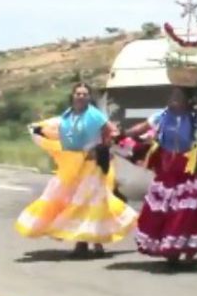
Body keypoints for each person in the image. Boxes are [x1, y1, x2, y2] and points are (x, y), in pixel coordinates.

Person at [15, 83, 138, 257]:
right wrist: (39, 131)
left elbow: (113, 132)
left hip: (93, 165)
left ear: (89, 97)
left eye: (84, 94)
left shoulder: (95, 115)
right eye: (78, 93)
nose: (81, 97)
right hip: (73, 166)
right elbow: (59, 132)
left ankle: (89, 243)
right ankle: (87, 241)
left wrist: (101, 147)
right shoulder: (67, 116)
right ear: (72, 96)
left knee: (89, 201)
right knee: (76, 201)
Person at [123, 77, 197, 264]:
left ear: (187, 100)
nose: (173, 99)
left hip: (188, 168)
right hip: (167, 168)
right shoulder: (162, 115)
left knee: (187, 209)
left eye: (178, 96)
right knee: (164, 209)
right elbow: (141, 128)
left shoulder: (196, 115)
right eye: (172, 96)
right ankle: (170, 247)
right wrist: (120, 134)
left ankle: (188, 248)